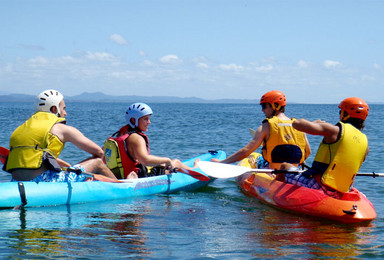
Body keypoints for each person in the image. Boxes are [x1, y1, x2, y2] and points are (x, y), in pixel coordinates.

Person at [5, 89, 118, 182]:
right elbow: (99, 153)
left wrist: (68, 166)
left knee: (69, 170)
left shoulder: (21, 129)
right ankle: (121, 186)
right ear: (54, 109)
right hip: (43, 181)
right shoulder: (62, 129)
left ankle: (86, 180)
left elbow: (37, 157)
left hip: (16, 181)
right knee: (97, 162)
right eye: (63, 108)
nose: (65, 113)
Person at [280, 97, 369, 197]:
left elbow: (297, 124)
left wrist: (316, 123)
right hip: (344, 189)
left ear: (345, 114)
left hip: (319, 185)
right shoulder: (365, 143)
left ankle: (275, 192)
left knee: (285, 166)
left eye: (341, 111)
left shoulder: (333, 130)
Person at [211, 90, 311, 169]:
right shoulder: (299, 125)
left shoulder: (266, 126)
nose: (262, 110)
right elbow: (308, 152)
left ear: (275, 106)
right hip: (293, 172)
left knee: (253, 157)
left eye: (264, 106)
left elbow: (246, 151)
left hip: (272, 171)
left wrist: (222, 162)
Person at [104, 102, 197, 179]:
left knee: (162, 164)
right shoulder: (137, 138)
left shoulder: (118, 135)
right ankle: (196, 170)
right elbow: (144, 160)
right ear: (133, 120)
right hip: (139, 177)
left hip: (120, 176)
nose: (149, 122)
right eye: (145, 119)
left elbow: (103, 157)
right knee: (175, 162)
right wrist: (167, 160)